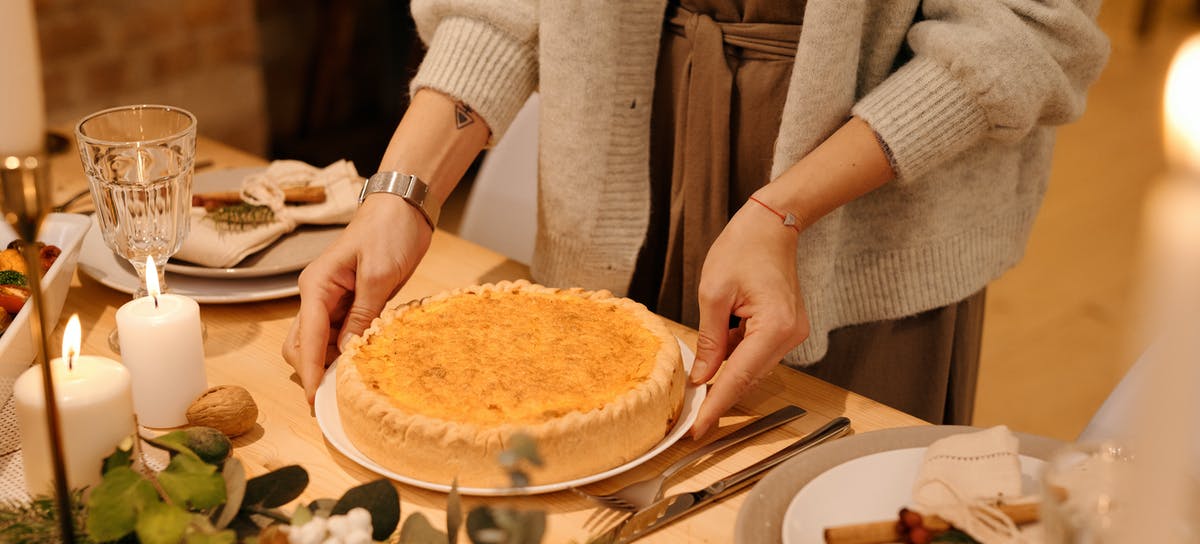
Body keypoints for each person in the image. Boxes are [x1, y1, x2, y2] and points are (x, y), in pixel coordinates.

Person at [283, 0, 1108, 437]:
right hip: (635, 145)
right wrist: (401, 193)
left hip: (873, 205)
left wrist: (786, 210)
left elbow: (1026, 27)